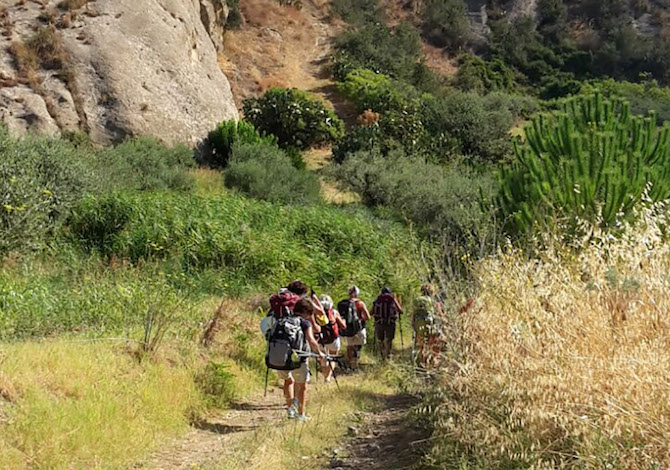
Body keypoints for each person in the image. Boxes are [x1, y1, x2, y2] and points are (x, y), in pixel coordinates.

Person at [274, 298, 324, 422]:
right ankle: (301, 415)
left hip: (280, 358)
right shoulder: (304, 323)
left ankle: (291, 409)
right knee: (302, 386)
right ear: (306, 312)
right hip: (299, 359)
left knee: (287, 381)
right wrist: (320, 353)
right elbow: (311, 340)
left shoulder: (282, 321)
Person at [338, 286, 370, 370]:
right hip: (359, 329)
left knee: (350, 347)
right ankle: (354, 365)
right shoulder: (360, 303)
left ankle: (350, 363)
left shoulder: (343, 304)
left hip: (348, 329)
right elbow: (367, 317)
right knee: (358, 347)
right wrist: (360, 319)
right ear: (357, 294)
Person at [412, 283, 444, 367]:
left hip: (420, 327)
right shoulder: (434, 302)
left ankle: (422, 363)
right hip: (432, 327)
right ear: (431, 292)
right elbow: (440, 315)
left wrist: (414, 326)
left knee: (421, 346)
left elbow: (413, 315)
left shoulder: (417, 301)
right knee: (433, 346)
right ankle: (432, 365)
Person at [317, 294, 347, 382]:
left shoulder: (316, 314)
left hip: (320, 339)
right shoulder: (334, 312)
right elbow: (343, 326)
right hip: (333, 339)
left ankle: (325, 374)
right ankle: (328, 377)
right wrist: (343, 320)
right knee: (333, 358)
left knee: (323, 359)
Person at [372, 287, 403, 361]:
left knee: (380, 340)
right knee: (389, 340)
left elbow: (371, 312)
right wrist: (395, 300)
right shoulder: (392, 299)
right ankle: (388, 355)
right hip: (390, 323)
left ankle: (382, 356)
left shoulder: (378, 300)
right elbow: (400, 311)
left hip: (379, 323)